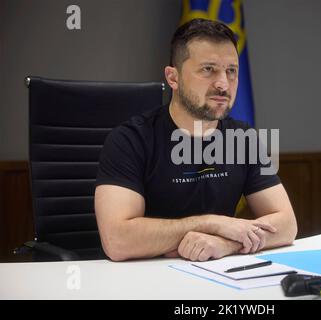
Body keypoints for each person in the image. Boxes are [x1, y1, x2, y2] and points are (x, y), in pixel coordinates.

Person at [94, 18, 297, 262]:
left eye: (231, 71)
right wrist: (212, 223)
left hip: (218, 274)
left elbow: (287, 225)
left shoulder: (243, 138)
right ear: (173, 78)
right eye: (208, 69)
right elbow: (118, 241)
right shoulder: (130, 140)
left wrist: (224, 243)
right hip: (147, 280)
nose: (223, 84)